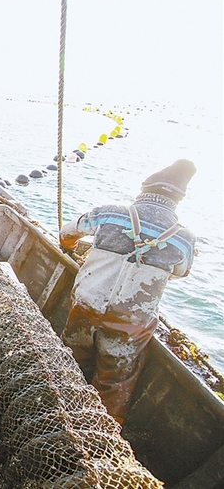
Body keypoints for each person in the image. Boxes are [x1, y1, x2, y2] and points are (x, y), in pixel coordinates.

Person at [59, 159, 196, 424]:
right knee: (114, 381)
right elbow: (181, 272)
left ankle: (61, 402)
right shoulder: (184, 238)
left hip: (86, 304)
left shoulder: (109, 213)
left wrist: (71, 246)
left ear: (143, 190)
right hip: (129, 323)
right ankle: (100, 431)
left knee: (71, 357)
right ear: (177, 200)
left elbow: (67, 233)